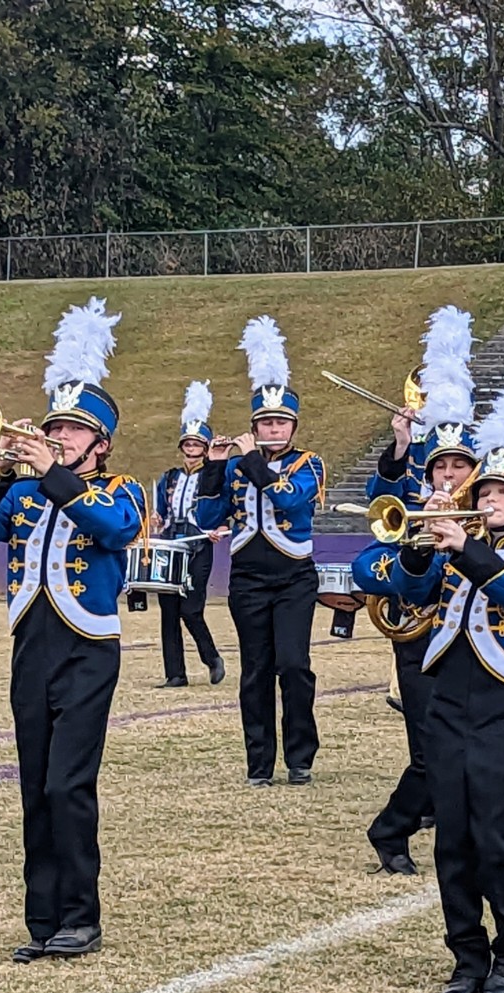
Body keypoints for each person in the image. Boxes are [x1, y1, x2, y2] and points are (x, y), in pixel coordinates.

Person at [0, 298, 145, 960]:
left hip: (88, 648)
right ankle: (43, 919)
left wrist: (53, 471)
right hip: (30, 645)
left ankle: (81, 915)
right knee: (35, 785)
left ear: (101, 443)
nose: (58, 435)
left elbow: (113, 529)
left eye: (72, 429)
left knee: (68, 784)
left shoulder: (123, 488)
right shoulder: (23, 491)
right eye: (54, 425)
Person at [372, 375, 504, 993]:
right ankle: (465, 953)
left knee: (492, 838)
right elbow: (408, 589)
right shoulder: (456, 546)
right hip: (447, 702)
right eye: (485, 490)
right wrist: (419, 544)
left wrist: (463, 548)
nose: (489, 499)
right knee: (451, 841)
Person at [352, 305, 477, 874]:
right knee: (432, 750)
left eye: (459, 466)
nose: (448, 475)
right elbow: (368, 566)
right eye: (441, 466)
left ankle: (449, 824)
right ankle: (392, 829)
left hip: (473, 641)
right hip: (420, 640)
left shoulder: (489, 517)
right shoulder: (411, 514)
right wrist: (420, 541)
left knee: (463, 748)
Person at [195, 316, 325, 786]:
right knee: (255, 671)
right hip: (248, 578)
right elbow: (208, 517)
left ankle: (300, 756)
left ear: (293, 426)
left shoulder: (310, 463)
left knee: (293, 665)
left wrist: (250, 458)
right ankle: (259, 763)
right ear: (254, 425)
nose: (273, 428)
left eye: (280, 422)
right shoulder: (234, 467)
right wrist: (214, 468)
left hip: (294, 578)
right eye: (266, 422)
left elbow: (287, 498)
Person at [148, 380, 226, 688]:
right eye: (188, 445)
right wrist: (156, 519)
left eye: (197, 445)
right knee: (168, 612)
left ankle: (212, 658)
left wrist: (220, 528)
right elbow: (161, 512)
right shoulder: (168, 477)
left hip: (199, 543)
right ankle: (175, 674)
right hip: (171, 544)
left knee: (191, 609)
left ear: (205, 449)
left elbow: (224, 508)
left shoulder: (214, 475)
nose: (192, 450)